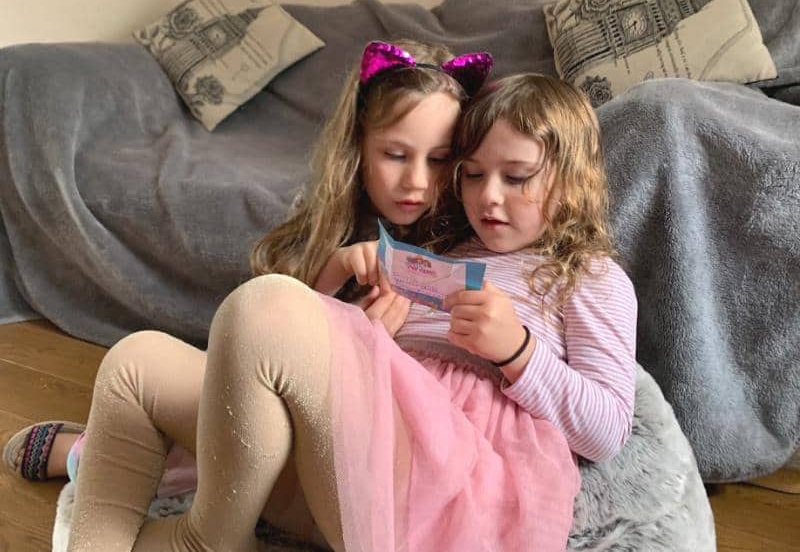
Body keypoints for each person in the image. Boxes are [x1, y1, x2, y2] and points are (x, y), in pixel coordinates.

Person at [60, 71, 637, 552]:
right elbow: (281, 365)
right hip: (338, 475)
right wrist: (368, 333)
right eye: (474, 174)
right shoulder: (441, 250)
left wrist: (519, 352)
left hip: (444, 492)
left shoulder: (589, 277)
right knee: (136, 362)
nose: (489, 196)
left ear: (573, 179)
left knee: (268, 305)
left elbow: (607, 429)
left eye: (517, 178)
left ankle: (208, 541)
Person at [1, 40, 493, 547]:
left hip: (345, 468)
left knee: (188, 428)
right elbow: (263, 347)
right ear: (358, 148)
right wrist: (334, 269)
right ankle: (103, 484)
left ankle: (113, 470)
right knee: (135, 364)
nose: (416, 181)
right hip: (264, 435)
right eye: (395, 155)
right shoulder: (336, 227)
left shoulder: (462, 251)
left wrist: (372, 343)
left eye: (438, 160)